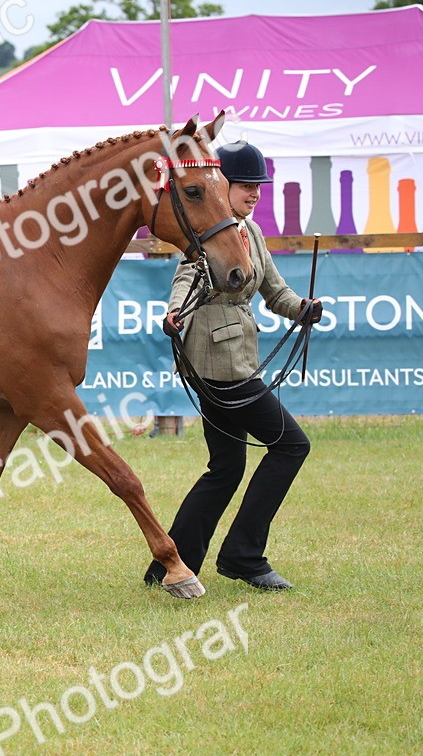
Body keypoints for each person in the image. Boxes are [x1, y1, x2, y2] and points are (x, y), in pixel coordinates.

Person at [145, 140, 322, 592]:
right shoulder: (209, 232)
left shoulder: (252, 233)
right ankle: (243, 556)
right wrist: (175, 312)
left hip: (238, 360)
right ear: (222, 186)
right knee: (291, 446)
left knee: (225, 469)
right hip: (218, 367)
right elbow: (186, 276)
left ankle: (168, 564)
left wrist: (302, 308)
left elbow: (275, 292)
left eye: (258, 186)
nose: (255, 193)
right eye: (246, 185)